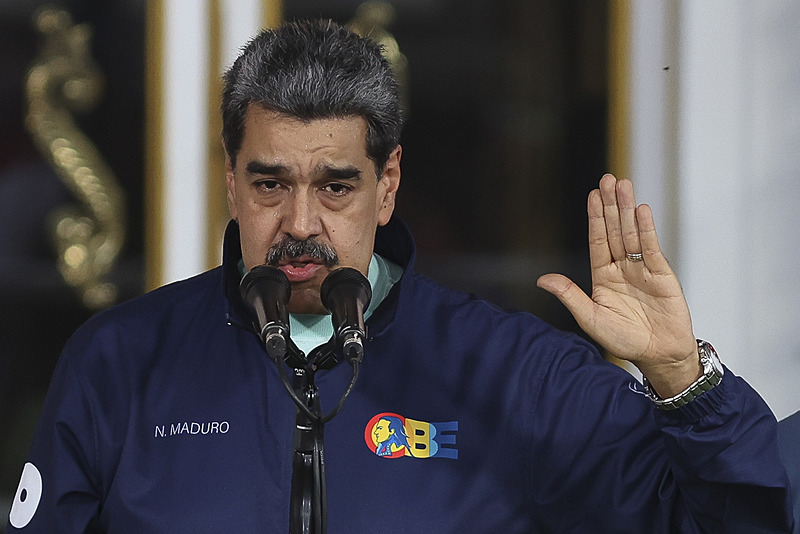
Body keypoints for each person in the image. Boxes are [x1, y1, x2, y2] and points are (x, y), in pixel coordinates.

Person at [7, 19, 793, 533]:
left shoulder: (514, 372)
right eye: (271, 184)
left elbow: (740, 521)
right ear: (231, 181)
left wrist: (684, 381)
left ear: (387, 187)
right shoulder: (120, 362)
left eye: (336, 187)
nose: (301, 223)